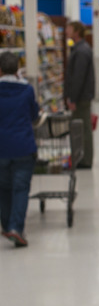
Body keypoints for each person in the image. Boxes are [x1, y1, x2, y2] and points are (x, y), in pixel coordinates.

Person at [0, 52, 40, 247]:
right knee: (21, 188)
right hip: (23, 146)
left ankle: (7, 226)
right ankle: (16, 227)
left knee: (3, 188)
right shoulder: (27, 90)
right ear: (17, 69)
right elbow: (34, 114)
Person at [64, 21, 94, 169]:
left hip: (81, 98)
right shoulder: (80, 48)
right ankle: (82, 158)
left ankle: (85, 160)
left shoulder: (81, 51)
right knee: (82, 128)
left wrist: (73, 98)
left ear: (76, 31)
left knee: (83, 129)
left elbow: (78, 77)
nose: (66, 31)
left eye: (69, 28)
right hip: (82, 96)